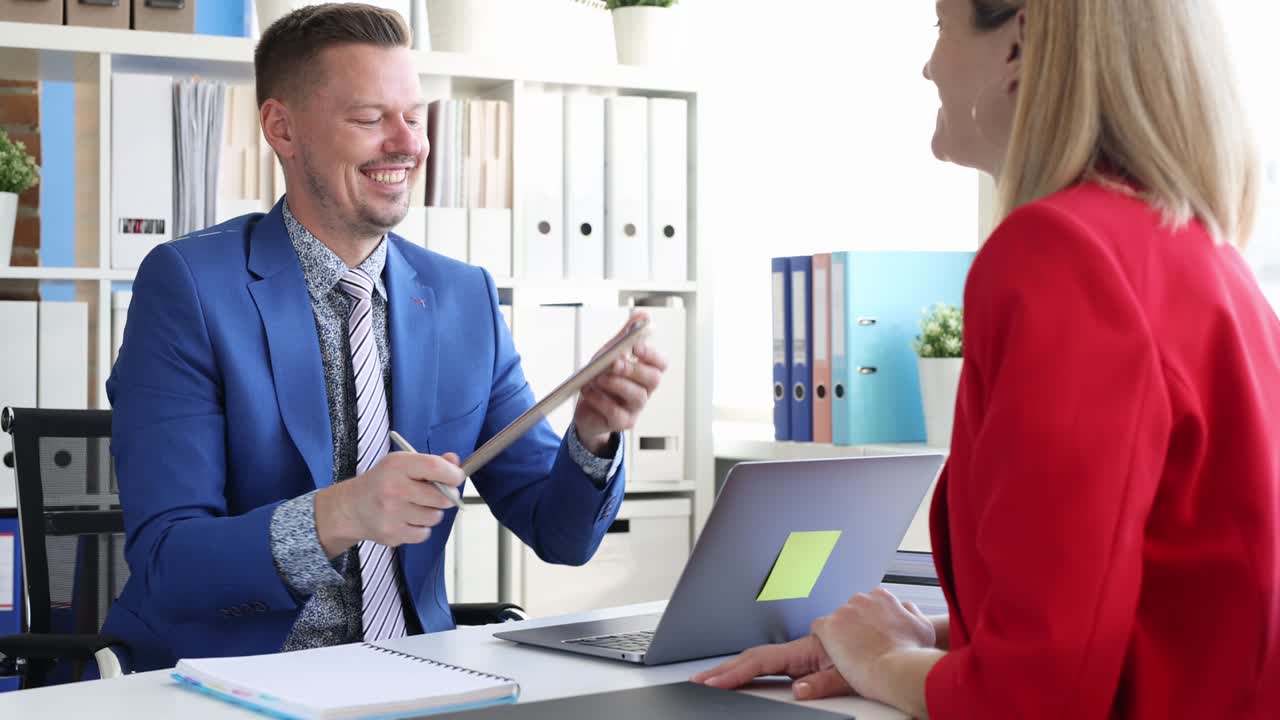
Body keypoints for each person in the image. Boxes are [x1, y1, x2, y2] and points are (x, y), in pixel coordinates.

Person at [694, 0, 1280, 716]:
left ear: (1019, 45)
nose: (929, 65)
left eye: (940, 27)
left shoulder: (1061, 253)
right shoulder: (1202, 254)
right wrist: (897, 647)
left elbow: (1032, 700)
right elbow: (1153, 616)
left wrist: (884, 660)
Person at [102, 3, 666, 672]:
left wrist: (593, 436)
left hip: (416, 676)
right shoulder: (190, 286)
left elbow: (561, 535)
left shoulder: (464, 298)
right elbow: (171, 562)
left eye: (414, 116)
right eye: (370, 119)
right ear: (282, 128)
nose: (408, 144)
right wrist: (341, 514)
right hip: (236, 677)